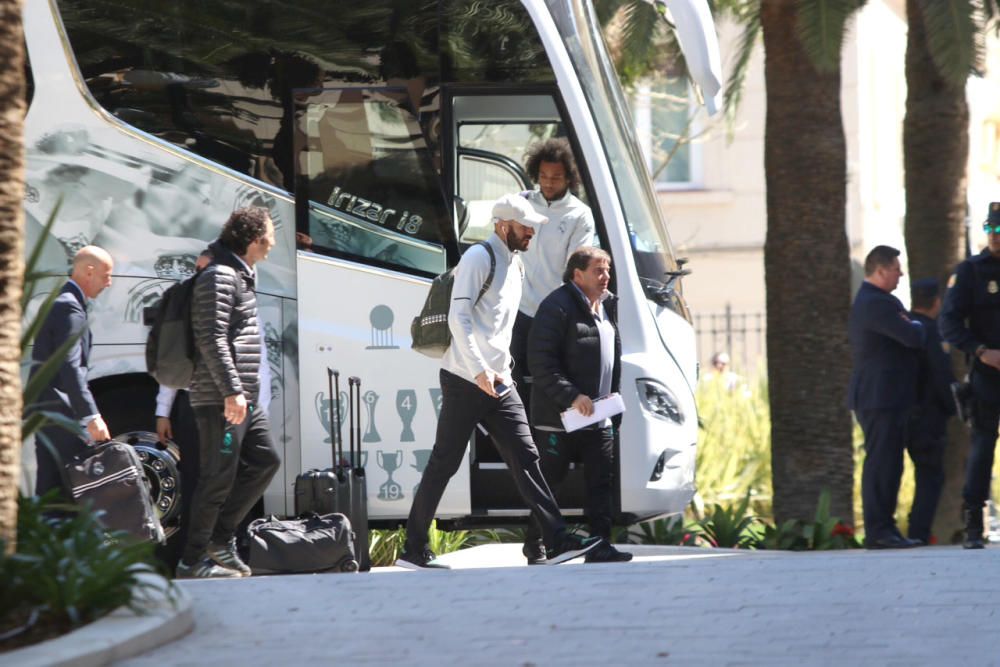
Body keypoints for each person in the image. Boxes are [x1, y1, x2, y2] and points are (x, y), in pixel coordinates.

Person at [398, 194, 602, 569]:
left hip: (498, 382)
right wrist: (478, 370)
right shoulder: (480, 258)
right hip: (465, 379)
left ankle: (551, 542)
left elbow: (498, 327)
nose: (531, 234)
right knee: (445, 462)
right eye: (526, 228)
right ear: (504, 226)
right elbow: (459, 316)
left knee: (527, 459)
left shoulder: (516, 264)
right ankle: (413, 550)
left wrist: (501, 369)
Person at [176, 206, 281, 578]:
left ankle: (220, 539)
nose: (273, 243)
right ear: (254, 240)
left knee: (266, 461)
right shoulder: (219, 275)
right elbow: (211, 336)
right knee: (217, 478)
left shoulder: (238, 273)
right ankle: (191, 560)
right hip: (221, 398)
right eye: (270, 235)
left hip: (242, 398)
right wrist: (232, 391)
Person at [523, 247, 631, 564]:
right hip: (561, 418)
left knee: (601, 484)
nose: (606, 276)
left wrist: (613, 402)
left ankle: (600, 546)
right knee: (550, 483)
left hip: (600, 417)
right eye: (599, 270)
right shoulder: (556, 306)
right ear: (577, 274)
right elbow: (541, 362)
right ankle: (536, 543)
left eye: (608, 269)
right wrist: (572, 396)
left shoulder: (607, 306)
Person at [510, 138, 596, 418]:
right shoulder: (522, 203)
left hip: (551, 315)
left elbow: (577, 267)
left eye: (556, 177)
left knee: (548, 381)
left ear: (569, 178)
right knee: (513, 379)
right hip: (517, 309)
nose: (548, 183)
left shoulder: (580, 215)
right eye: (544, 176)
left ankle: (546, 447)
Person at [848, 245, 925, 549]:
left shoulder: (878, 301)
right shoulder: (877, 303)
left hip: (887, 396)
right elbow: (913, 336)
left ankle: (886, 528)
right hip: (879, 397)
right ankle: (879, 530)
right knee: (882, 463)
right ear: (879, 270)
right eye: (895, 268)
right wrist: (917, 324)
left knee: (890, 463)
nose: (901, 273)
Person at [939, 202, 1000, 549]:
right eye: (992, 230)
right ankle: (974, 523)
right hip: (987, 374)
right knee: (982, 446)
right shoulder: (971, 272)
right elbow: (948, 323)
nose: (996, 237)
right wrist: (980, 351)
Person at [31, 246, 114, 497]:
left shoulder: (61, 301)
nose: (108, 283)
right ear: (89, 272)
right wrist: (91, 416)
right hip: (62, 415)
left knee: (50, 491)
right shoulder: (70, 308)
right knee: (71, 492)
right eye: (106, 276)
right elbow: (70, 366)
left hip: (48, 413)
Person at [903, 278, 955, 545]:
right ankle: (919, 532)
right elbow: (940, 375)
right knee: (930, 476)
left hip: (905, 414)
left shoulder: (906, 329)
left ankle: (915, 529)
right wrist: (952, 406)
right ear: (936, 302)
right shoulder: (931, 332)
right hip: (928, 418)